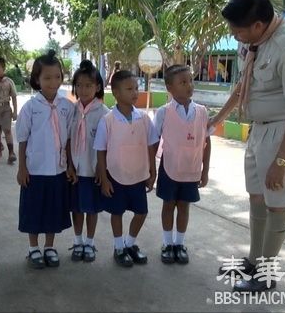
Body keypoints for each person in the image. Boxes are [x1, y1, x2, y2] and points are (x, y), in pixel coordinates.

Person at [210, 0, 285, 292]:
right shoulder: (253, 44)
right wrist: (217, 120)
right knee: (256, 196)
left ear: (258, 24)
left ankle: (267, 273)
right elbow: (244, 87)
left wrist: (282, 161)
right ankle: (255, 261)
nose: (234, 35)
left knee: (276, 201)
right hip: (259, 129)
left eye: (238, 29)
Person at [93, 70, 158, 267]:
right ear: (116, 93)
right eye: (129, 88)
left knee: (141, 213)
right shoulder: (108, 120)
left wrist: (152, 171)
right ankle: (118, 247)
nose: (135, 92)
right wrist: (104, 178)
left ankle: (130, 244)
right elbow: (101, 150)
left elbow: (150, 145)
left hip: (138, 175)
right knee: (117, 213)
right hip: (116, 176)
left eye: (136, 88)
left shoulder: (144, 119)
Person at [16, 50, 73, 269]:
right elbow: (22, 139)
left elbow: (67, 139)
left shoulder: (66, 105)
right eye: (47, 77)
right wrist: (22, 168)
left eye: (57, 76)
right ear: (37, 79)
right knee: (33, 209)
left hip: (57, 170)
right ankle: (33, 248)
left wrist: (69, 165)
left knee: (53, 210)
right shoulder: (31, 107)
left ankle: (49, 246)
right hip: (35, 170)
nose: (53, 82)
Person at [153, 65, 212, 265]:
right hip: (170, 167)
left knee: (184, 207)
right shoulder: (163, 112)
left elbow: (206, 141)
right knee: (168, 205)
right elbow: (154, 141)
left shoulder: (202, 112)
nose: (189, 86)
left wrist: (205, 171)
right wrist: (150, 171)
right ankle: (167, 243)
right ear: (170, 87)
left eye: (190, 81)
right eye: (183, 82)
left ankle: (179, 243)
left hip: (192, 169)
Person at [67, 59, 109, 262]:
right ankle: (78, 241)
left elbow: (108, 146)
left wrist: (103, 170)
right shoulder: (71, 110)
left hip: (93, 171)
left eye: (89, 85)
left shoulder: (104, 114)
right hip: (75, 170)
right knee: (76, 208)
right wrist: (69, 165)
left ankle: (90, 243)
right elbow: (66, 139)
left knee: (92, 209)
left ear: (98, 87)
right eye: (79, 85)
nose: (83, 90)